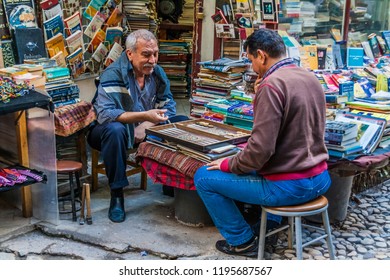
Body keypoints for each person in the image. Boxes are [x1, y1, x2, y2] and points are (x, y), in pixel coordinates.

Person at [193, 28, 331, 258]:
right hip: (320, 178)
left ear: (261, 55)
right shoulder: (310, 77)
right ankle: (273, 226)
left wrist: (230, 164)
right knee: (252, 164)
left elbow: (261, 150)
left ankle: (242, 241)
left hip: (291, 187)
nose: (252, 68)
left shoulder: (271, 85)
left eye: (250, 60)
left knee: (204, 177)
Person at [88, 29, 184, 223]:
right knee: (116, 131)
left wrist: (146, 124)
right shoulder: (112, 73)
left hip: (144, 126)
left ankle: (169, 181)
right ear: (130, 54)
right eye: (146, 54)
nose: (153, 60)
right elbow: (106, 115)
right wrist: (140, 119)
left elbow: (169, 106)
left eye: (155, 54)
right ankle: (117, 195)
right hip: (105, 131)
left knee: (181, 121)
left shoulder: (157, 73)